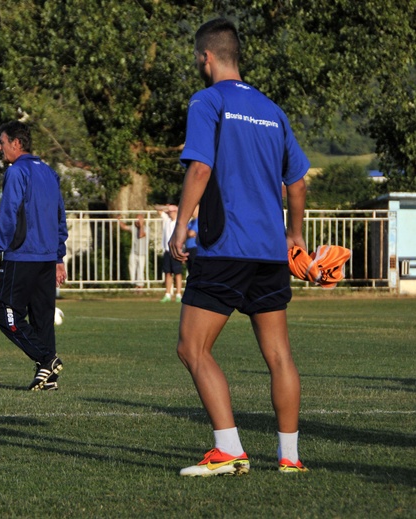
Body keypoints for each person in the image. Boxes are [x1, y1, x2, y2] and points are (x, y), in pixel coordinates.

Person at [168, 18, 310, 476]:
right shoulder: (273, 110)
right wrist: (296, 237)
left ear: (206, 57)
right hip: (270, 250)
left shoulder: (207, 100)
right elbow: (298, 182)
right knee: (279, 354)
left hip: (225, 246)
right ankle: (289, 458)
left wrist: (180, 227)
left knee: (192, 347)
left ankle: (228, 449)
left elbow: (200, 170)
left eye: (197, 57)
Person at [0, 121, 68, 391]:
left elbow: (8, 214)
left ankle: (47, 359)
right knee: (42, 317)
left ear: (16, 144)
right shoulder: (49, 172)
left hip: (22, 256)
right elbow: (60, 217)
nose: (0, 147)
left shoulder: (17, 171)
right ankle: (48, 379)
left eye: (2, 142)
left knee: (4, 312)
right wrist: (57, 257)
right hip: (45, 258)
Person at [117, 213, 149, 288]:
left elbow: (141, 235)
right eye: (136, 220)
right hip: (134, 251)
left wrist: (141, 225)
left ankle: (140, 286)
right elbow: (124, 227)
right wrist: (119, 220)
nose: (137, 222)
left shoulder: (146, 228)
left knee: (140, 269)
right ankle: (134, 284)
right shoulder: (133, 228)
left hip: (142, 253)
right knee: (131, 266)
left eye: (139, 220)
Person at [160, 205, 183, 302]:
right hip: (167, 250)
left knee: (177, 273)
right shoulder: (167, 220)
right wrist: (167, 207)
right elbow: (158, 209)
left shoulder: (178, 222)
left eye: (172, 212)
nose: (170, 213)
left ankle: (178, 293)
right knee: (167, 273)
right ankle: (168, 293)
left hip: (176, 250)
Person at [185, 205, 199, 273]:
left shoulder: (198, 221)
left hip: (195, 248)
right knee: (190, 269)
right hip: (188, 248)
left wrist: (188, 232)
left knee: (194, 269)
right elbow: (185, 233)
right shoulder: (191, 222)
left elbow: (191, 233)